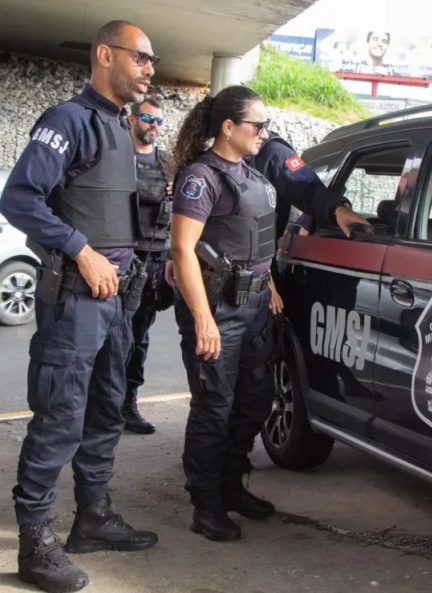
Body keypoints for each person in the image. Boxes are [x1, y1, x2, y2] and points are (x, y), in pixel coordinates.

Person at [0, 20, 159, 593]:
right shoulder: (69, 120)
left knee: (105, 408)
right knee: (60, 416)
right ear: (104, 55)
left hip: (116, 295)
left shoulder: (119, 126)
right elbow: (18, 198)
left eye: (151, 60)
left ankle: (92, 517)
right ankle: (35, 543)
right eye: (139, 57)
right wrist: (79, 251)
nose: (148, 68)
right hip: (75, 296)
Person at [170, 85, 365, 543]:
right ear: (229, 127)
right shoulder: (202, 178)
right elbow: (182, 250)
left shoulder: (255, 175)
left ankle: (232, 485)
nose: (266, 133)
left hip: (256, 307)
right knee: (212, 411)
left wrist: (270, 285)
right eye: (258, 125)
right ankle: (206, 503)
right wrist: (202, 318)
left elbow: (257, 244)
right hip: (218, 310)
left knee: (254, 403)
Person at [123, 96, 174, 434]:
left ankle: (128, 403)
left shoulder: (169, 165)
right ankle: (99, 404)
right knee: (110, 336)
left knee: (139, 338)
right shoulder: (116, 160)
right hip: (122, 258)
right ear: (131, 119)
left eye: (159, 121)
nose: (153, 126)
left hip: (154, 261)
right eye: (147, 118)